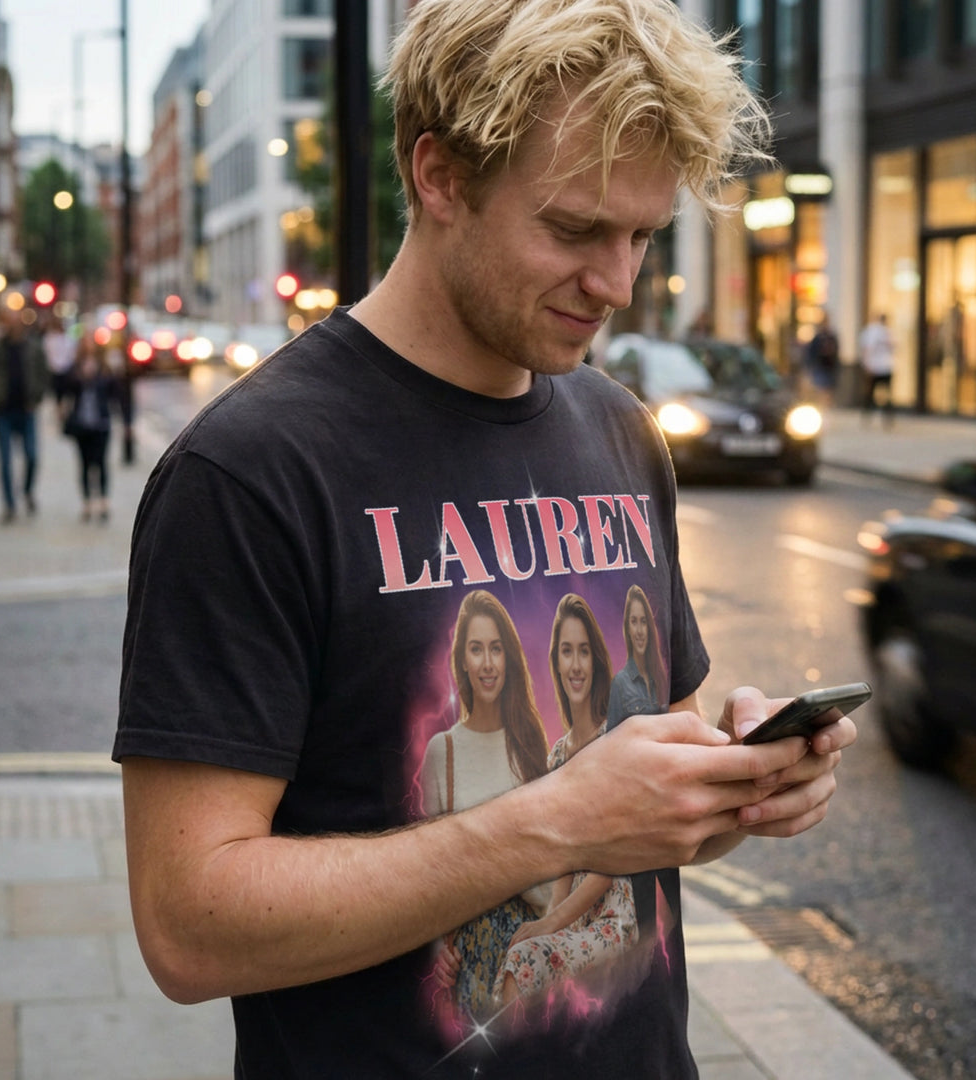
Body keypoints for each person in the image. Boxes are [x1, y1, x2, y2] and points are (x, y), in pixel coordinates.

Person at [114, 3, 858, 1077]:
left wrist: (741, 786)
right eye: (574, 229)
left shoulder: (620, 428)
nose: (617, 284)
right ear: (440, 177)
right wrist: (556, 822)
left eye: (642, 236)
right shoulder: (249, 473)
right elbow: (189, 927)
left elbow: (649, 810)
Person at [498, 594, 637, 1009]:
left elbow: (610, 860)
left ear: (596, 661)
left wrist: (554, 922)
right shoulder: (557, 756)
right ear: (556, 662)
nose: (576, 665)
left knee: (524, 959)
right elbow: (564, 861)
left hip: (612, 919)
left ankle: (511, 1047)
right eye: (566, 652)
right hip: (577, 918)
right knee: (519, 949)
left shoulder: (613, 739)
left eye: (584, 652)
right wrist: (548, 921)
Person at [420, 590, 551, 1019]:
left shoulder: (529, 747)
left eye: (496, 648)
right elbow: (427, 873)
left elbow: (551, 877)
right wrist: (437, 948)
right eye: (476, 649)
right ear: (462, 659)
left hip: (527, 955)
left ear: (509, 658)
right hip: (470, 967)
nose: (488, 663)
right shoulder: (443, 753)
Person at [0, 308, 49, 523]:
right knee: (5, 460)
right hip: (3, 410)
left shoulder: (33, 347)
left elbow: (43, 374)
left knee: (32, 456)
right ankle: (9, 504)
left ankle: (27, 490)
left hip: (26, 410)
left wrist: (37, 398)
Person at [60, 333, 122, 523]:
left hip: (101, 423)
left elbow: (115, 391)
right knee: (85, 463)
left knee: (101, 462)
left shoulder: (105, 368)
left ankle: (103, 501)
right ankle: (87, 502)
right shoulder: (75, 368)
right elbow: (65, 387)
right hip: (81, 424)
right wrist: (82, 377)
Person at [608, 584, 667, 726]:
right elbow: (612, 738)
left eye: (643, 621)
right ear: (627, 628)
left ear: (649, 627)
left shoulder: (660, 678)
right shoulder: (619, 684)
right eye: (634, 622)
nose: (639, 631)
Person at [859, 312, 895, 425]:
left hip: (880, 366)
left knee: (874, 393)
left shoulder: (885, 332)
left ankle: (875, 416)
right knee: (879, 393)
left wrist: (866, 364)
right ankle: (872, 416)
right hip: (881, 366)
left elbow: (866, 349)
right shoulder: (879, 331)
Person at [805, 312, 840, 406]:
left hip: (829, 367)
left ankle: (826, 406)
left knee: (828, 389)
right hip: (819, 366)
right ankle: (821, 405)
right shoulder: (818, 337)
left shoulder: (832, 336)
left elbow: (836, 350)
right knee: (820, 388)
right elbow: (811, 352)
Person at [42, 313, 76, 405]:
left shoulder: (69, 338)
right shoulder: (49, 338)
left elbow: (71, 354)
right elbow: (48, 354)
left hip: (66, 372)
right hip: (53, 373)